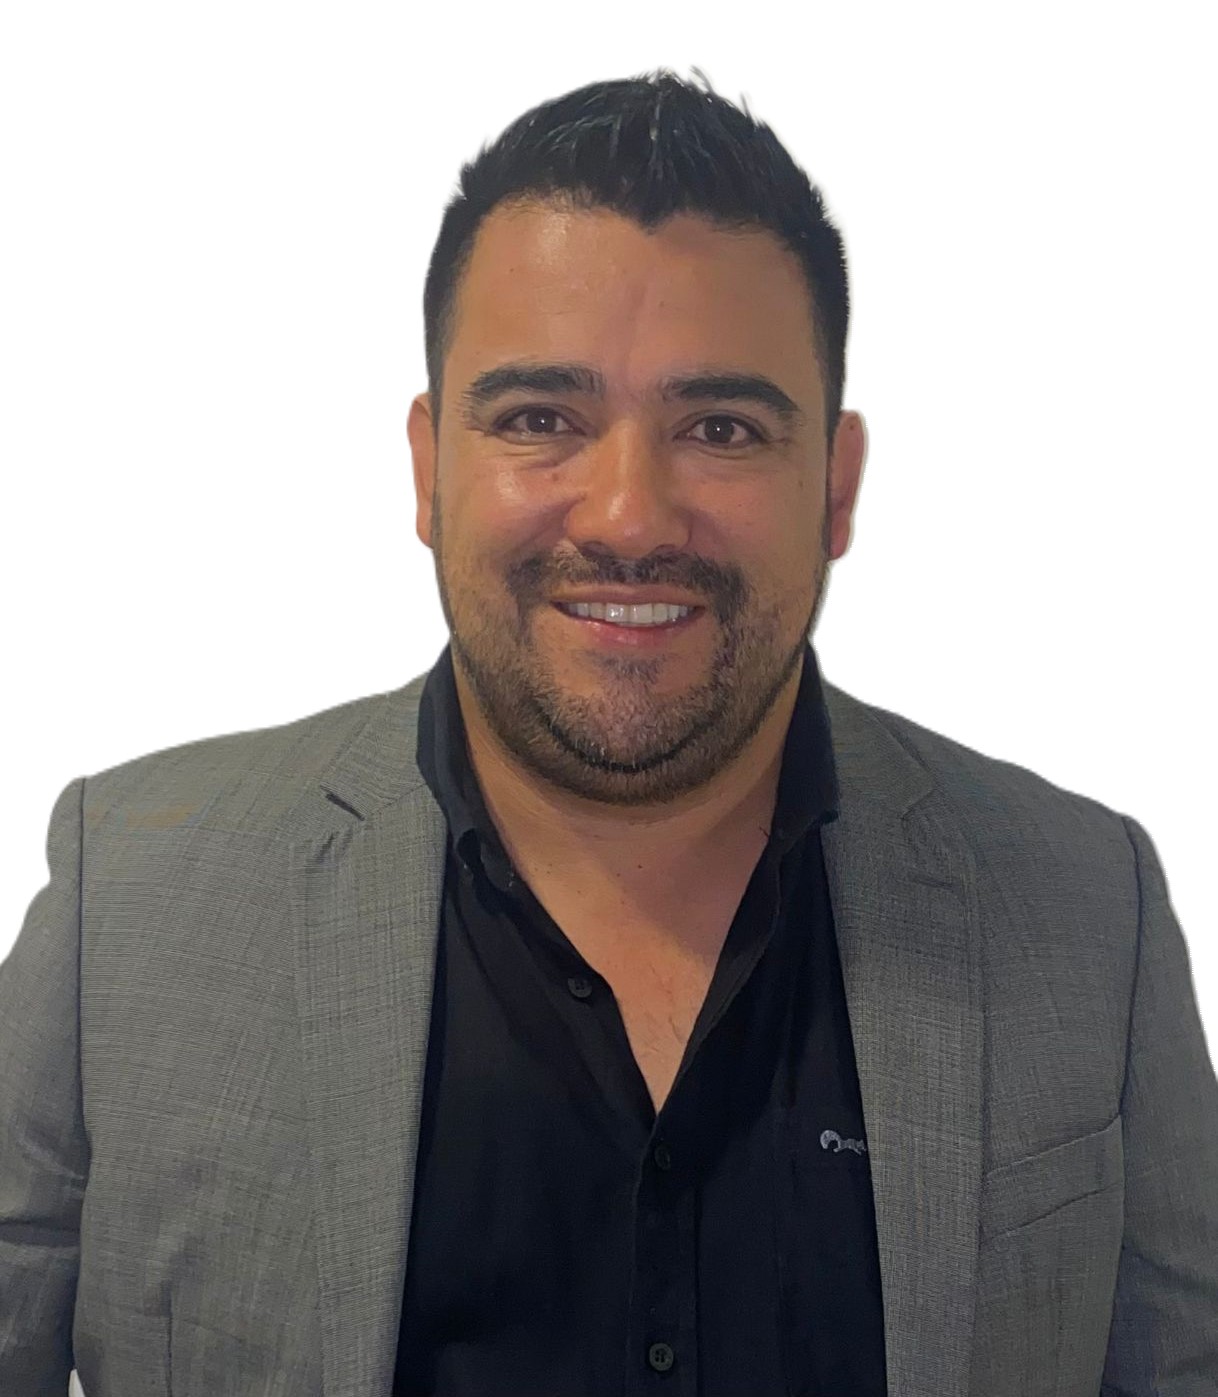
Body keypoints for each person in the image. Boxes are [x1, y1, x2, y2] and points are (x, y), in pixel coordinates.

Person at [2, 66, 1215, 1397]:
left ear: (835, 483)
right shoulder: (131, 902)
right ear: (428, 467)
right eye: (541, 419)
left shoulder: (1088, 914)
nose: (629, 514)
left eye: (719, 427)